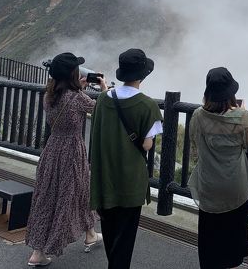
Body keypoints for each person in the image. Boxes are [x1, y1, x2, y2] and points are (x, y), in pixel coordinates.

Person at [26, 52, 108, 266]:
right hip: (72, 151)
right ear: (73, 73)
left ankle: (40, 250)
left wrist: (78, 88)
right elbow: (103, 111)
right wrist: (104, 90)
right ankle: (53, 245)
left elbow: (68, 101)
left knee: (47, 196)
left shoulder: (49, 94)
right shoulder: (78, 98)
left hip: (52, 149)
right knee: (73, 193)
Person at [90, 48, 163, 269]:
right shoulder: (148, 105)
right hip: (130, 180)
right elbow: (147, 145)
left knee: (111, 231)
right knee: (126, 235)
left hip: (104, 176)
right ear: (142, 75)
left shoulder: (103, 99)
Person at [188, 67, 248, 269]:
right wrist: (242, 113)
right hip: (236, 184)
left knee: (210, 230)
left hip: (209, 182)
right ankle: (232, 262)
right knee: (234, 229)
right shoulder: (242, 116)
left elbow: (193, 140)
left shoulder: (198, 116)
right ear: (231, 94)